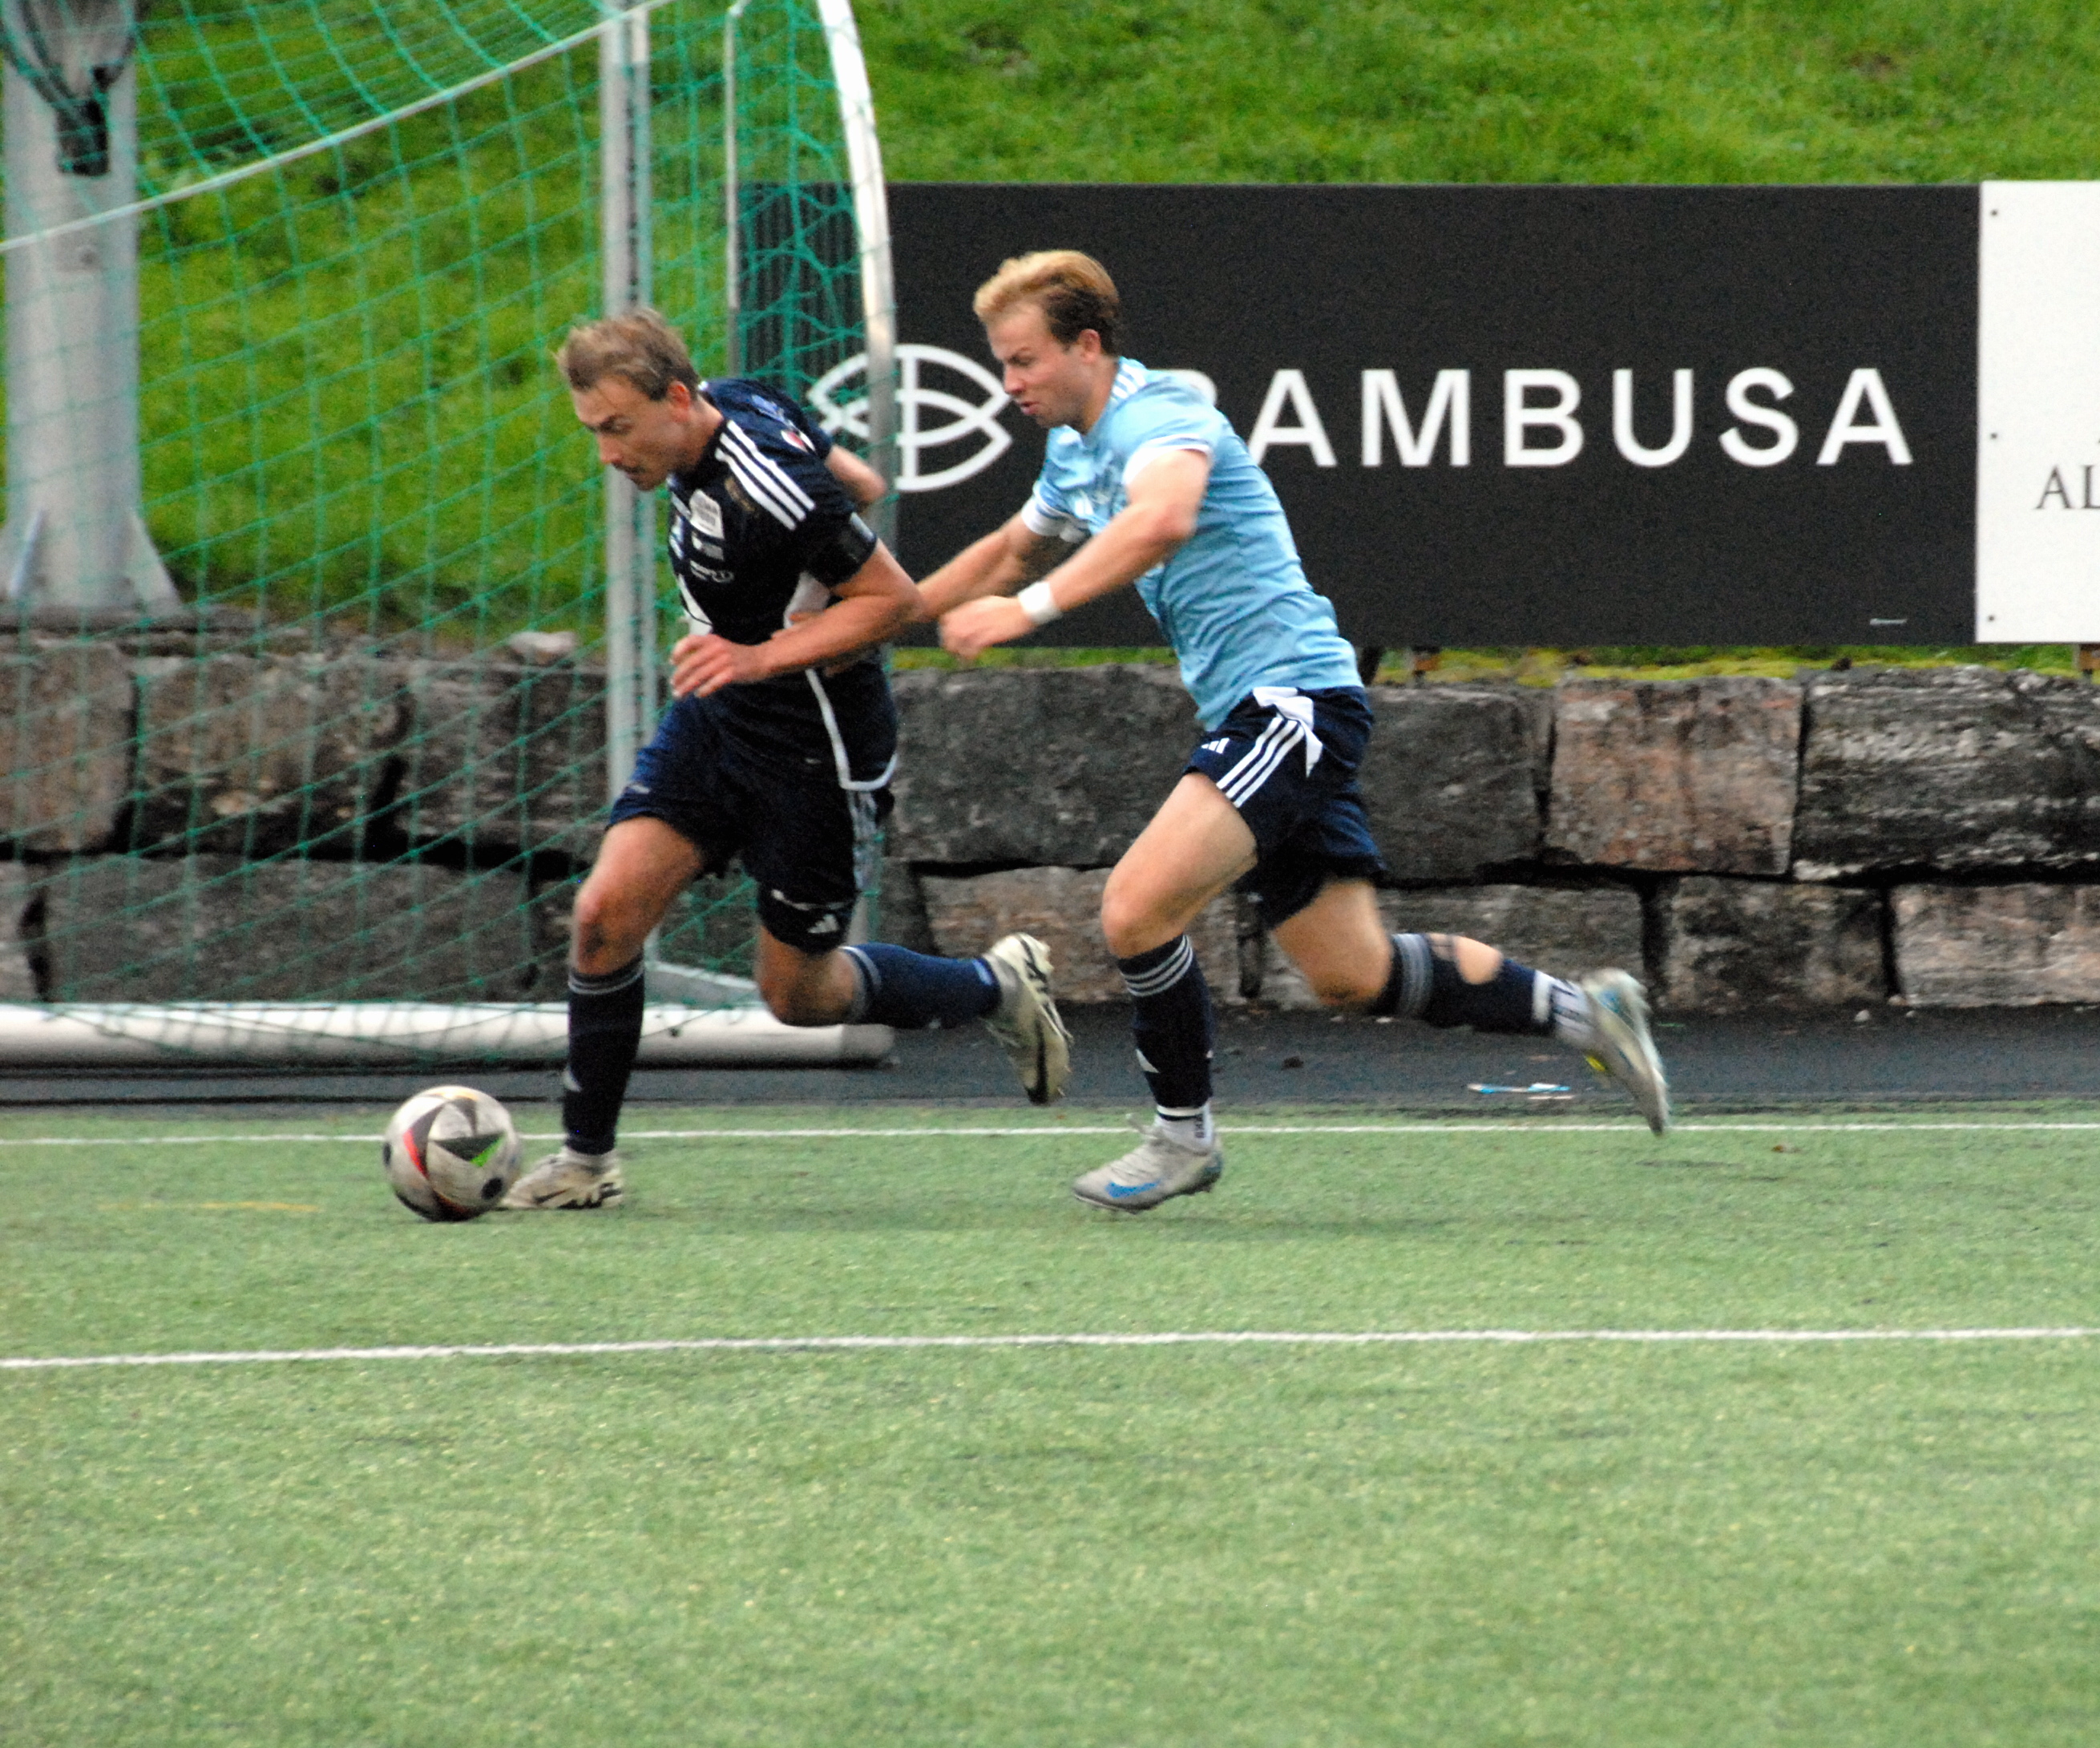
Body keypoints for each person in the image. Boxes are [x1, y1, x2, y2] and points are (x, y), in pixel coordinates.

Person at [916, 249, 1667, 1212]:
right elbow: (1009, 550)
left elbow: (1161, 520)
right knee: (1352, 973)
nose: (1007, 383)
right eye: (1000, 363)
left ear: (1087, 347)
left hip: (1290, 704)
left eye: (1023, 361)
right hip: (1272, 709)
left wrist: (1023, 614)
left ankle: (1181, 1138)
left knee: (1135, 908)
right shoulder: (1075, 448)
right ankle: (1587, 1013)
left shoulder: (1157, 416)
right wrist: (870, 623)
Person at [506, 309, 1071, 1210]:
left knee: (797, 996)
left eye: (618, 427)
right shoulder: (737, 400)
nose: (608, 454)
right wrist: (777, 628)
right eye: (593, 432)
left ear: (677, 400)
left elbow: (893, 600)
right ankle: (585, 1162)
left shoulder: (768, 484)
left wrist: (766, 651)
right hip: (717, 716)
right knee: (604, 915)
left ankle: (994, 985)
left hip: (814, 750)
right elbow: (863, 481)